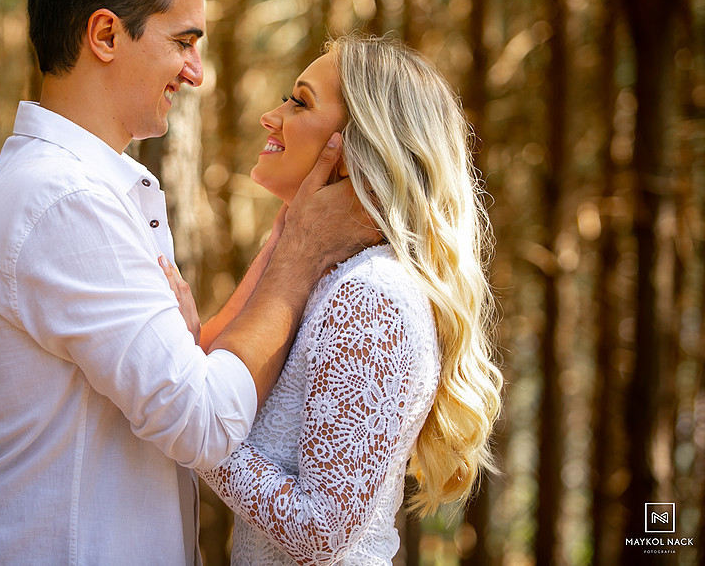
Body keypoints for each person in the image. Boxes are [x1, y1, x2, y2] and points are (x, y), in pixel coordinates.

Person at [0, 0, 379, 564]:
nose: (196, 72)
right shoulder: (64, 201)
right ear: (106, 34)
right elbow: (204, 422)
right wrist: (301, 254)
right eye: (182, 41)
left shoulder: (92, 190)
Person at [171, 35, 503, 565]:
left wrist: (192, 423)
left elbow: (321, 528)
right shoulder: (327, 277)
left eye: (299, 102)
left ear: (356, 148)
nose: (269, 116)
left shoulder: (371, 297)